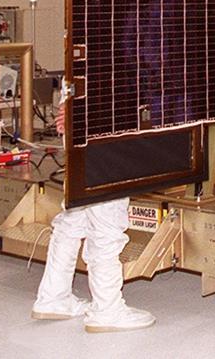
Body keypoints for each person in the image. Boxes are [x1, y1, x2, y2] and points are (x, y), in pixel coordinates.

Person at [31, 100, 155, 332]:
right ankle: (108, 309)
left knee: (75, 216)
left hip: (80, 122)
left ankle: (54, 297)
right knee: (107, 220)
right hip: (101, 126)